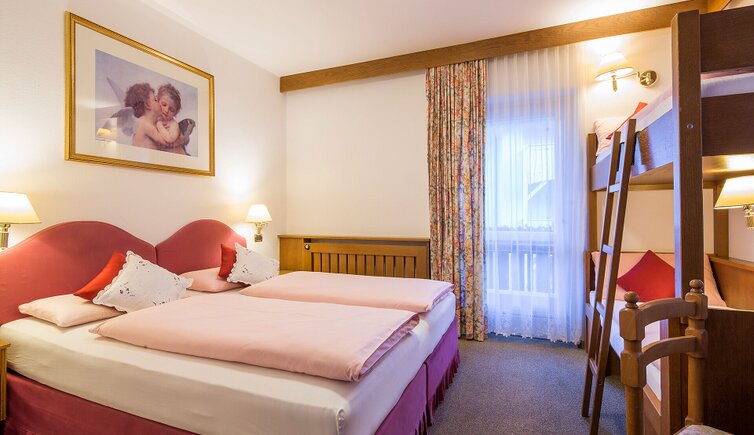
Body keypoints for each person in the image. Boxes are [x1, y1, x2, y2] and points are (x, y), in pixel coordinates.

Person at [124, 83, 187, 151]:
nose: (159, 104)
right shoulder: (145, 124)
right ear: (148, 104)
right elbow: (165, 143)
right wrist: (179, 141)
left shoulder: (146, 122)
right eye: (155, 100)